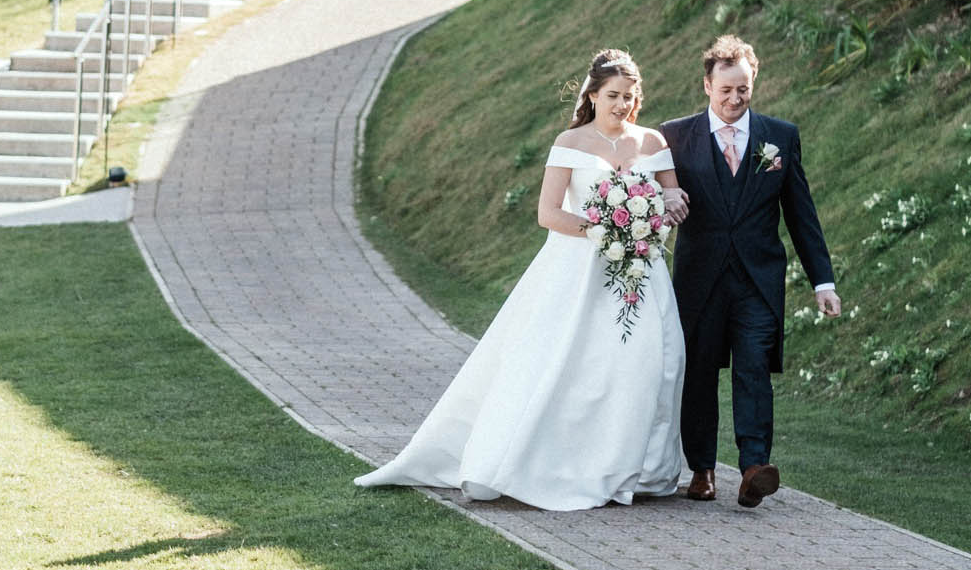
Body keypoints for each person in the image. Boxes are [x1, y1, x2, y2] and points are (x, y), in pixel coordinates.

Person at [356, 49, 689, 510]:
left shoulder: (652, 142)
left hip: (639, 273)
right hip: (577, 273)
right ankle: (556, 463)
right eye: (612, 95)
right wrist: (605, 229)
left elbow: (671, 195)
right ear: (592, 95)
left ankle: (639, 468)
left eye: (629, 97)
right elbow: (548, 213)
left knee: (650, 361)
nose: (621, 105)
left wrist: (669, 205)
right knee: (572, 365)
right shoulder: (571, 143)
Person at [658, 36, 839, 509]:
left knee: (754, 368)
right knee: (699, 372)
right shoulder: (674, 137)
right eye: (726, 91)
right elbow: (649, 199)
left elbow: (802, 214)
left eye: (744, 89)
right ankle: (701, 469)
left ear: (753, 82)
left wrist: (823, 281)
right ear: (706, 85)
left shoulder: (780, 137)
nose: (735, 99)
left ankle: (755, 467)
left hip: (758, 281)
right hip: (699, 279)